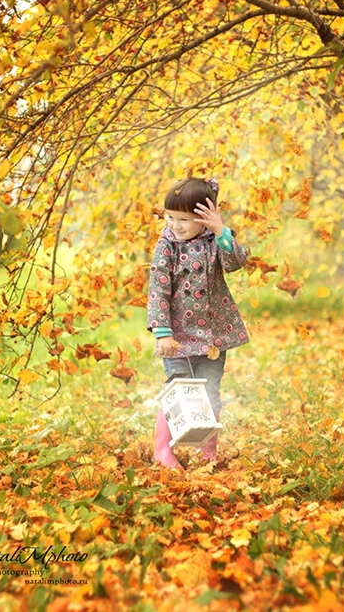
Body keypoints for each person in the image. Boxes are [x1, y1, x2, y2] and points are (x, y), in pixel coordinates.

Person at [147, 177, 249, 468]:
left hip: (213, 336)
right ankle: (163, 450)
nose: (175, 225)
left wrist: (221, 232)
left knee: (209, 391)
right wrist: (162, 333)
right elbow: (158, 288)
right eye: (170, 217)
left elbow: (236, 262)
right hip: (177, 335)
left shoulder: (215, 242)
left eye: (184, 219)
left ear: (205, 219)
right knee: (178, 388)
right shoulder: (167, 245)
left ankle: (206, 451)